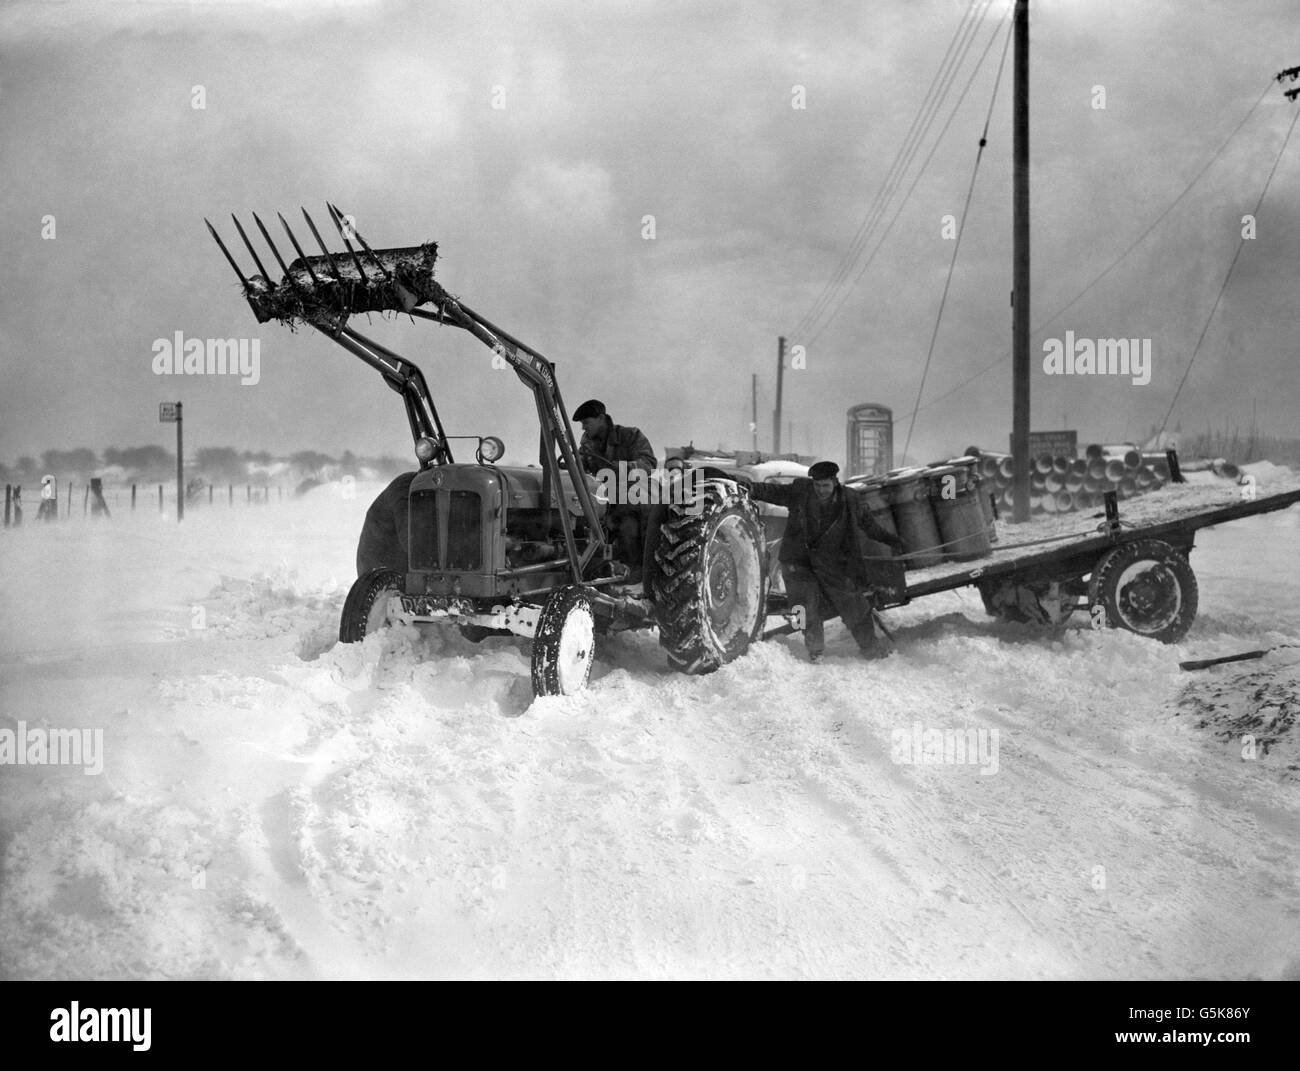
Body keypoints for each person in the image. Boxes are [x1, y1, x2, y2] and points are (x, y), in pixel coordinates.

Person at [745, 460, 905, 663]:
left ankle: (871, 648)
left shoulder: (851, 499)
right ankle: (815, 652)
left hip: (834, 564)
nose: (821, 490)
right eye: (817, 485)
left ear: (835, 483)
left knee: (856, 606)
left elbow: (869, 525)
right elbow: (770, 491)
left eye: (825, 486)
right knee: (804, 608)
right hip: (798, 563)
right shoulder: (800, 491)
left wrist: (891, 540)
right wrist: (748, 487)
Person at [571, 399, 657, 584]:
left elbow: (649, 463)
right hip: (602, 495)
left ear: (601, 418)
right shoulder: (587, 443)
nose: (583, 428)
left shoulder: (630, 435)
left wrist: (625, 468)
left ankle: (636, 569)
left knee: (628, 524)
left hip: (632, 492)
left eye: (586, 422)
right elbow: (582, 465)